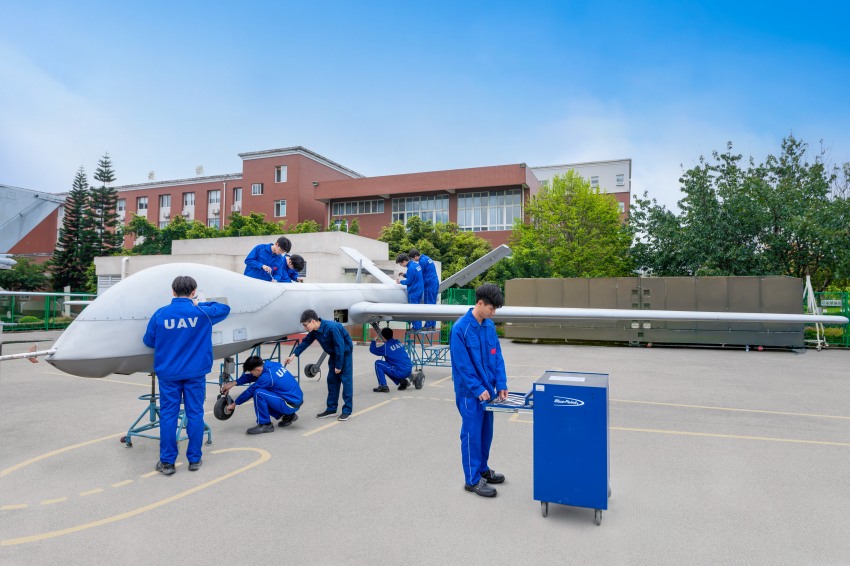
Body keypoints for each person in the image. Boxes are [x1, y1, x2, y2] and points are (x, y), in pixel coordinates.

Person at [142, 275, 230, 476]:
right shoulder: (201, 312)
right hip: (195, 373)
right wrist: (198, 302)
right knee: (195, 414)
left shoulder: (161, 314)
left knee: (168, 416)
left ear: (172, 292)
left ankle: (167, 462)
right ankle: (194, 459)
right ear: (194, 292)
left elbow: (148, 340)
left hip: (169, 374)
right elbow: (224, 309)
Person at [450, 283, 508, 498]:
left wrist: (501, 384)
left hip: (489, 392)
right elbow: (462, 364)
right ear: (480, 303)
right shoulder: (460, 329)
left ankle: (483, 469)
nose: (493, 313)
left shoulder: (489, 326)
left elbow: (497, 357)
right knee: (472, 435)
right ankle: (472, 480)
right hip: (470, 394)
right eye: (491, 309)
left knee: (486, 433)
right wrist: (477, 388)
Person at [285, 309, 354, 421]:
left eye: (305, 325)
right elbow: (306, 342)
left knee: (346, 382)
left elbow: (340, 347)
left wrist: (339, 366)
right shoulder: (314, 331)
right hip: (333, 354)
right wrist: (293, 355)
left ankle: (347, 411)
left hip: (344, 355)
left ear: (312, 321)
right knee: (332, 381)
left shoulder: (332, 327)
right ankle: (331, 409)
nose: (304, 328)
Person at [221, 356, 303, 434]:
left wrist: (234, 404)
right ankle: (289, 416)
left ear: (258, 369)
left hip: (289, 404)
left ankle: (265, 424)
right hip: (295, 400)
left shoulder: (267, 377)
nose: (252, 374)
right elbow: (253, 377)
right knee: (266, 389)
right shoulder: (271, 365)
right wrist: (234, 383)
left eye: (252, 372)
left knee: (258, 393)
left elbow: (250, 391)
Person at [369, 327, 413, 392]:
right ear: (392, 334)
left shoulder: (386, 347)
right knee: (388, 366)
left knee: (378, 363)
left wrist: (374, 340)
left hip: (400, 372)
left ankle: (383, 386)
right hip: (409, 369)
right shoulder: (398, 342)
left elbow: (373, 350)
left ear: (383, 337)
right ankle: (403, 381)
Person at [409, 248, 439, 330]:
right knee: (432, 304)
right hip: (434, 282)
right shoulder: (426, 258)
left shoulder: (422, 261)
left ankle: (428, 325)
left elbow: (419, 274)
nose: (413, 261)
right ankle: (432, 324)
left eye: (412, 258)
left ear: (415, 256)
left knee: (428, 304)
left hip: (429, 284)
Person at [395, 252, 423, 331]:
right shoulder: (416, 265)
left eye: (401, 264)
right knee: (417, 309)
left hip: (414, 291)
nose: (401, 266)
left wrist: (400, 282)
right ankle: (418, 326)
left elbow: (409, 281)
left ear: (404, 261)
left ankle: (416, 328)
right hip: (419, 289)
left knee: (414, 310)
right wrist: (404, 275)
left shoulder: (410, 268)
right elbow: (414, 275)